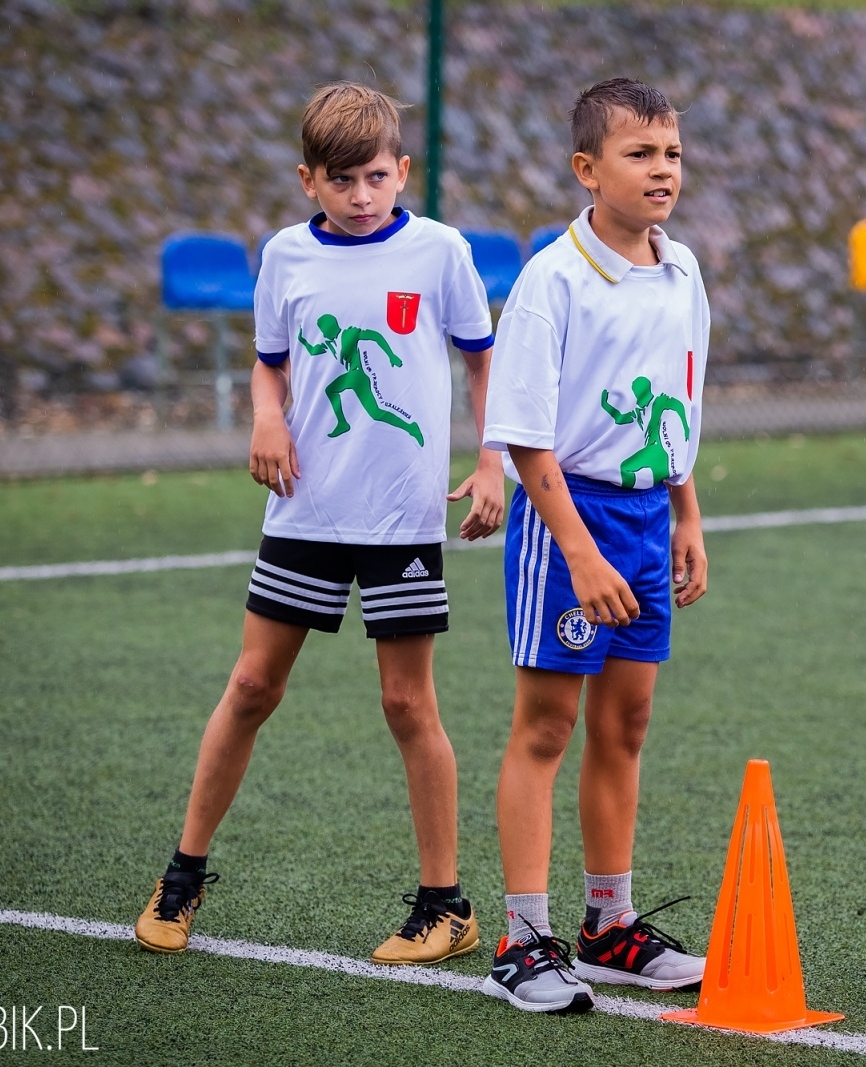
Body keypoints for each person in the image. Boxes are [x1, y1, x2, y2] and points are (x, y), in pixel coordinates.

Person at [133, 82, 504, 967]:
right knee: (253, 686)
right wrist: (266, 416)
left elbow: (487, 366)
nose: (363, 194)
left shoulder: (441, 252)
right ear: (309, 180)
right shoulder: (284, 258)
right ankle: (181, 878)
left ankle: (444, 905)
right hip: (304, 509)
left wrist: (493, 464)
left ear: (402, 169)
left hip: (404, 518)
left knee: (408, 702)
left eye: (377, 176)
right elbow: (270, 369)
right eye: (342, 180)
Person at [478, 78, 711, 1014]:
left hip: (649, 519)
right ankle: (522, 940)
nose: (663, 172)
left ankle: (607, 925)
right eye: (640, 154)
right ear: (587, 168)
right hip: (568, 522)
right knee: (548, 727)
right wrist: (577, 549)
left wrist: (688, 511)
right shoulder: (553, 278)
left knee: (627, 724)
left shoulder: (683, 269)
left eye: (673, 154)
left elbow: (680, 404)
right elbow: (527, 436)